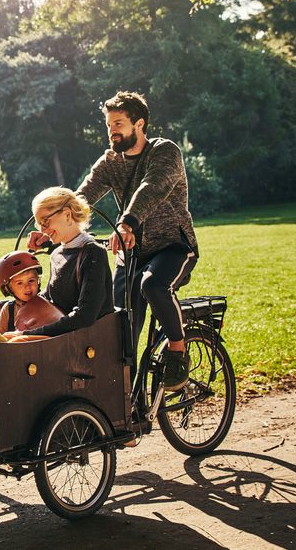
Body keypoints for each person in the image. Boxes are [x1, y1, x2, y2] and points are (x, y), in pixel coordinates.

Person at [54, 90, 197, 391]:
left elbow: (152, 187)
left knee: (153, 285)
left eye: (118, 124)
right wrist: (51, 223)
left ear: (139, 124)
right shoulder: (110, 161)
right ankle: (125, 400)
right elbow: (83, 196)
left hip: (173, 246)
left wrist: (127, 222)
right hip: (131, 254)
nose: (112, 131)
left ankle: (177, 351)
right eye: (109, 125)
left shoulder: (164, 152)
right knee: (119, 327)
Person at [15, 187, 114, 340]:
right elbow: (48, 300)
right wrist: (6, 307)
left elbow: (84, 316)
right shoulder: (57, 254)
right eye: (39, 224)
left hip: (89, 342)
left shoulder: (93, 254)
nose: (43, 230)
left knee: (15, 341)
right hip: (66, 338)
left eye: (45, 221)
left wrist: (28, 335)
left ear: (67, 214)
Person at [0, 250, 65, 333]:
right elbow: (0, 335)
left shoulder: (46, 304)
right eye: (20, 283)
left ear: (38, 281)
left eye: (31, 280)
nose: (27, 287)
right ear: (8, 288)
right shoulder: (8, 310)